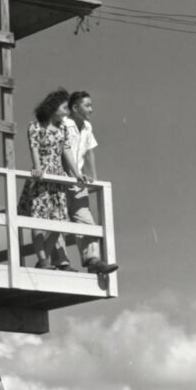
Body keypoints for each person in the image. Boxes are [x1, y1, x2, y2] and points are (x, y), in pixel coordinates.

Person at [17, 88, 85, 269]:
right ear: (53, 107)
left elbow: (66, 150)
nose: (66, 112)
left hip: (58, 178)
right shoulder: (35, 126)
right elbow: (34, 148)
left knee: (59, 221)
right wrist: (38, 168)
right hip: (42, 177)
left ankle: (43, 259)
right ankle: (43, 259)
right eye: (64, 108)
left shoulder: (62, 128)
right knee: (37, 219)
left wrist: (76, 173)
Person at [55, 90, 118, 274]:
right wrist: (73, 173)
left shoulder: (87, 127)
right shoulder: (64, 124)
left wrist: (93, 177)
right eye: (87, 105)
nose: (91, 109)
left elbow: (89, 152)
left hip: (78, 179)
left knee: (85, 219)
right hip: (60, 177)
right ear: (75, 108)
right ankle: (61, 262)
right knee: (57, 218)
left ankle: (93, 260)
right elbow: (62, 150)